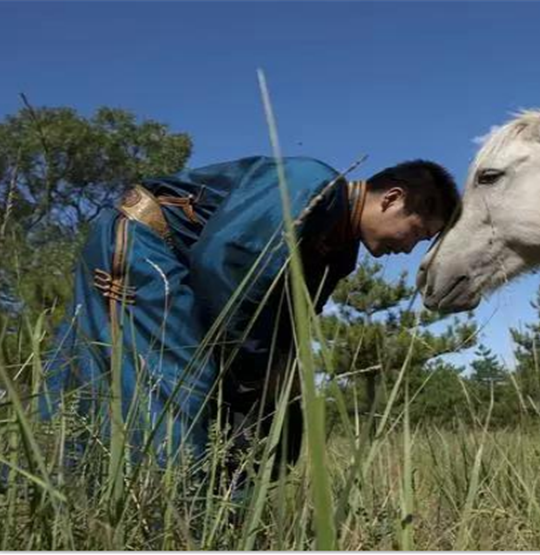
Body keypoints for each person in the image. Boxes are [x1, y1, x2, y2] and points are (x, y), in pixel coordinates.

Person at [41, 155, 458, 471]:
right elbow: (227, 266)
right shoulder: (310, 185)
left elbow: (290, 319)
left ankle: (223, 515)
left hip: (194, 286)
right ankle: (165, 520)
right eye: (417, 233)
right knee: (180, 384)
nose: (409, 249)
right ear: (392, 199)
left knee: (273, 418)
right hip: (147, 246)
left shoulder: (339, 250)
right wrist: (247, 374)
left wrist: (274, 384)